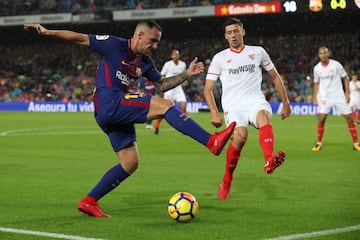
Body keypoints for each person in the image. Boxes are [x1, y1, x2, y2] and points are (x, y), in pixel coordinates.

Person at [24, 20, 236, 218]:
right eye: (152, 41)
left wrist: (186, 75)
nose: (154, 46)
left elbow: (161, 85)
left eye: (157, 42)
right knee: (166, 106)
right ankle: (211, 142)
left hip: (112, 113)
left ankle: (89, 201)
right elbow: (79, 38)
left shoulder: (145, 62)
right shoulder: (113, 45)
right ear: (140, 35)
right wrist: (48, 31)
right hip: (109, 102)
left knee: (130, 162)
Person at [204, 18, 291, 200]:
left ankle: (269, 160)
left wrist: (286, 102)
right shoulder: (219, 58)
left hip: (255, 100)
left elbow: (275, 77)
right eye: (229, 32)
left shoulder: (258, 52)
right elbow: (208, 88)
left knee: (264, 119)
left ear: (243, 32)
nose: (233, 35)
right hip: (233, 106)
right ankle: (227, 179)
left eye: (236, 31)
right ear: (225, 36)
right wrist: (214, 111)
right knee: (241, 137)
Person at [312, 47, 360, 152]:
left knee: (349, 118)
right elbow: (316, 83)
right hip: (325, 97)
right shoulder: (317, 68)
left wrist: (347, 93)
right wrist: (315, 96)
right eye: (320, 53)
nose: (323, 55)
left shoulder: (336, 65)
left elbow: (345, 78)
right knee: (322, 118)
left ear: (328, 54)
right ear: (319, 55)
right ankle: (318, 143)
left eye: (324, 53)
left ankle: (356, 144)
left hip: (339, 96)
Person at [153, 49, 187, 135]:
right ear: (172, 56)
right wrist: (161, 84)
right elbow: (162, 75)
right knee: (165, 108)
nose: (175, 56)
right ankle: (156, 126)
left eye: (177, 54)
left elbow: (183, 75)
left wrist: (185, 80)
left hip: (178, 88)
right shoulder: (167, 65)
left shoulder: (183, 64)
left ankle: (185, 127)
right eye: (174, 55)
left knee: (183, 105)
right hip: (169, 88)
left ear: (178, 56)